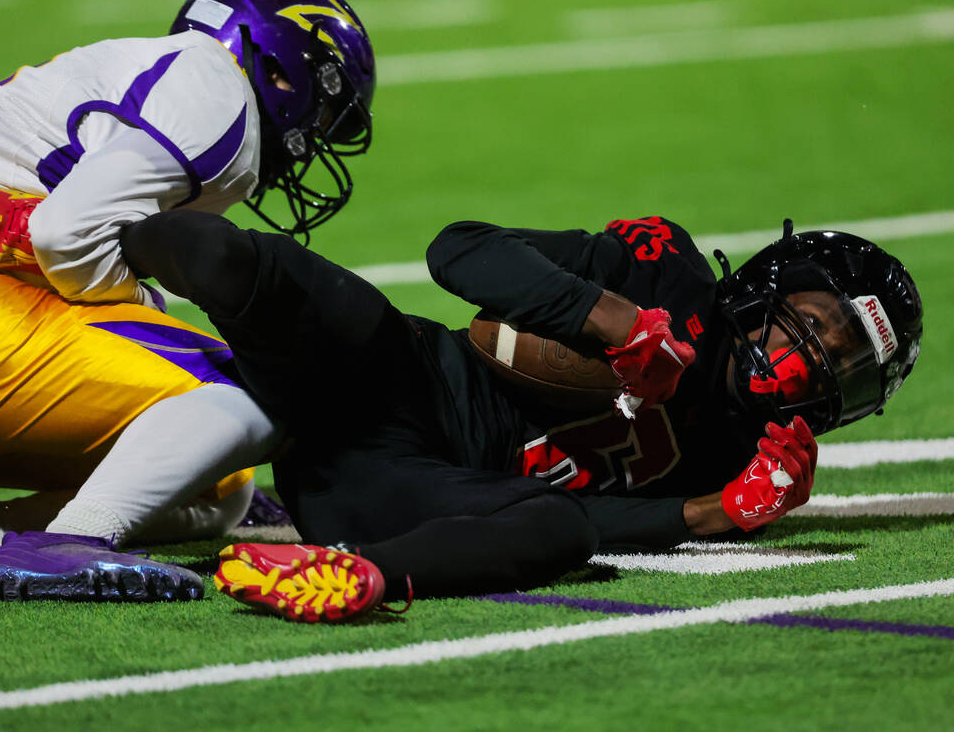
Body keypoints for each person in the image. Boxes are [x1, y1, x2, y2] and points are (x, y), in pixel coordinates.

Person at [0, 0, 375, 602]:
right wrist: (140, 298)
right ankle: (70, 543)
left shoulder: (161, 75)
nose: (315, 135)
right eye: (324, 106)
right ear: (279, 66)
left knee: (217, 484)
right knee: (264, 395)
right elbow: (66, 234)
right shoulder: (215, 89)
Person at [119, 210, 922, 622]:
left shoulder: (751, 463)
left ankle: (353, 576)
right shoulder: (663, 273)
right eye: (817, 324)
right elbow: (459, 249)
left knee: (561, 532)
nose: (815, 359)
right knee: (234, 260)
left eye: (848, 364)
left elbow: (592, 521)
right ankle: (96, 240)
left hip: (403, 489)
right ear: (773, 285)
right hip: (394, 371)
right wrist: (607, 318)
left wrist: (712, 515)